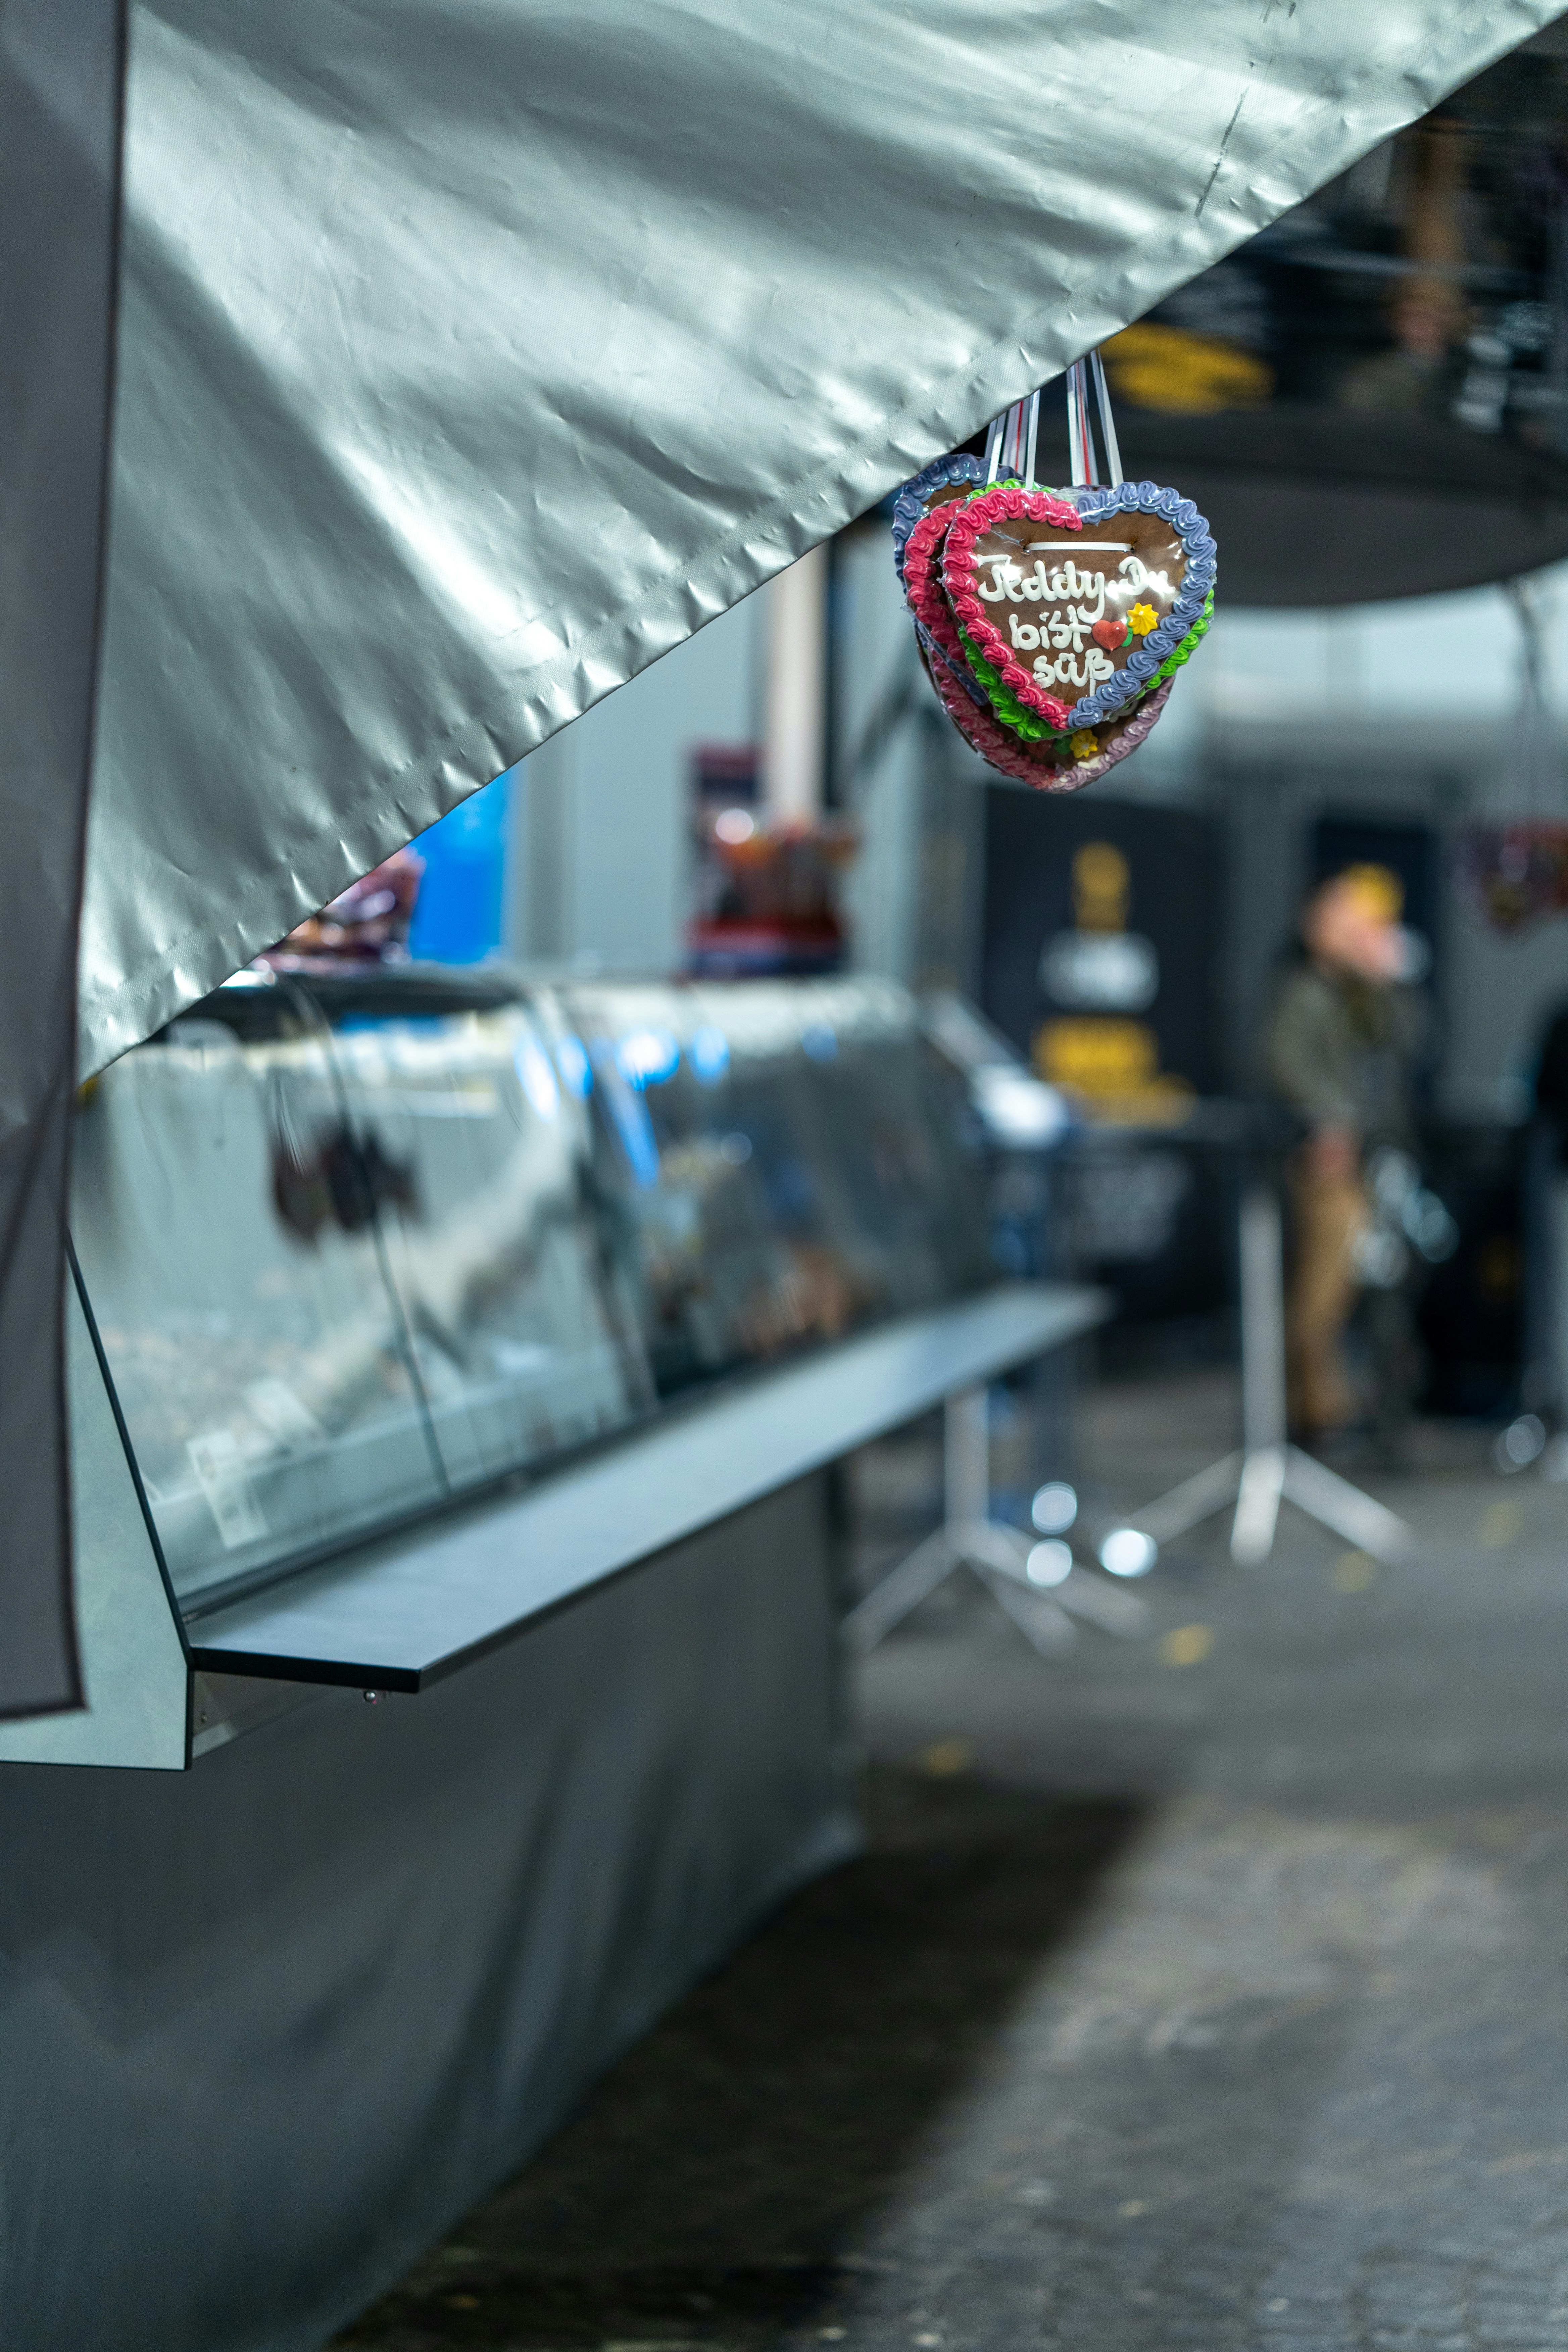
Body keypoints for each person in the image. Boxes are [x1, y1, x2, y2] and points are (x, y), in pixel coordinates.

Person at [1264, 866, 1426, 1441]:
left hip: (1379, 1156)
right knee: (1322, 1291)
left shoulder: (1365, 996)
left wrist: (1387, 981)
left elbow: (1405, 1050)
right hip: (1330, 1162)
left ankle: (1356, 1403)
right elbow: (1288, 1066)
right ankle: (1312, 1409)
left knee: (1372, 1286)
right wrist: (1331, 1121)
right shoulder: (1305, 992)